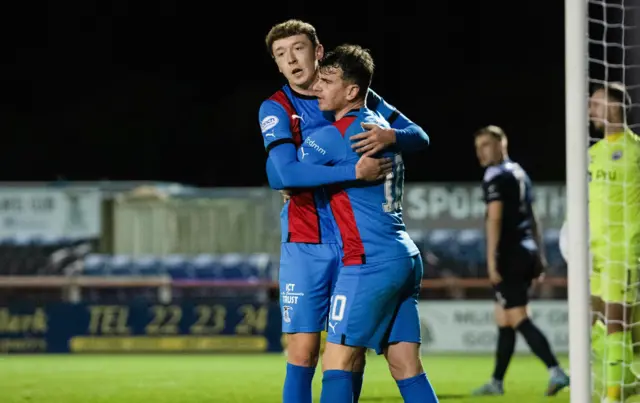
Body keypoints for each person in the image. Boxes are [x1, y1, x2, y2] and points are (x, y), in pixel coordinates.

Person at [258, 19, 429, 403]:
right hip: (309, 239)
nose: (291, 60)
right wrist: (350, 171)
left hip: (356, 245)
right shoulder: (277, 107)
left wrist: (392, 136)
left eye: (298, 49)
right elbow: (280, 173)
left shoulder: (349, 93)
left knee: (349, 357)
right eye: (281, 55)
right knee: (304, 352)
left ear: (317, 51)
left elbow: (420, 137)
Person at [471, 125, 570, 396]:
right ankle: (497, 382)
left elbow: (495, 218)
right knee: (503, 318)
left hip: (510, 255)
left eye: (487, 145)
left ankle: (556, 371)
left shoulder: (495, 176)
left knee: (517, 316)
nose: (481, 152)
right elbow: (533, 216)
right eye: (478, 147)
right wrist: (539, 254)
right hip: (526, 252)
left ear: (502, 144)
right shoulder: (519, 173)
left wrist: (491, 261)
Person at [588, 82, 640, 403]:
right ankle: (630, 379)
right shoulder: (591, 155)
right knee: (593, 323)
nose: (591, 110)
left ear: (614, 105)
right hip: (593, 254)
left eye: (596, 103)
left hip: (624, 250)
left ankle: (613, 393)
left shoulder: (636, 152)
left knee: (616, 321)